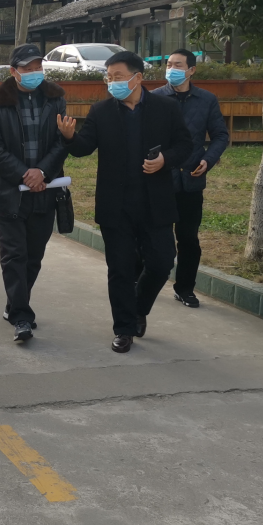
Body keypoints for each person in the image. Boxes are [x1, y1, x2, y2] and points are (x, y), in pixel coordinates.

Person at [57, 51, 192, 354]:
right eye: (108, 77)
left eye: (117, 76)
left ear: (137, 77)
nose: (112, 82)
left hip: (154, 202)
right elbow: (84, 147)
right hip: (116, 204)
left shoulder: (165, 108)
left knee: (161, 262)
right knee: (120, 269)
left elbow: (185, 145)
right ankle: (124, 328)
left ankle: (138, 308)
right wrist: (69, 137)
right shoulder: (101, 110)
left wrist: (165, 160)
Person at [0, 44, 69, 343]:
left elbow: (61, 141)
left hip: (44, 190)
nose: (34, 73)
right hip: (7, 192)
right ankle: (21, 317)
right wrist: (24, 174)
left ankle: (14, 305)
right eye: (27, 68)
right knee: (14, 255)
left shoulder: (56, 99)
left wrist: (41, 172)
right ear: (13, 71)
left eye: (38, 68)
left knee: (33, 256)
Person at [154, 48, 230, 309]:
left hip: (191, 181)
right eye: (169, 64)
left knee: (188, 239)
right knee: (155, 237)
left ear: (191, 70)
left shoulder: (206, 100)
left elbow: (220, 135)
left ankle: (185, 289)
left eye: (177, 65)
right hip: (160, 180)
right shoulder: (154, 98)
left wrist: (208, 160)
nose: (171, 69)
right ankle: (143, 280)